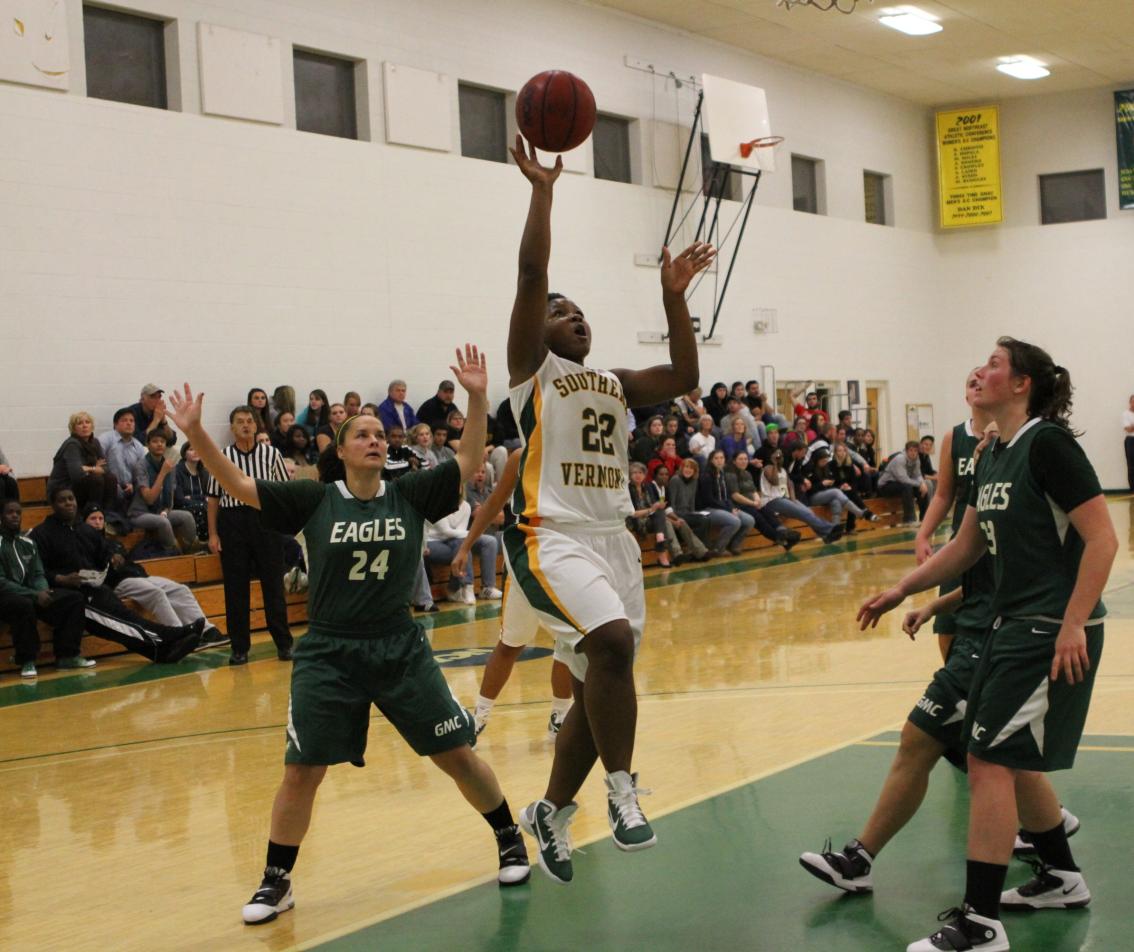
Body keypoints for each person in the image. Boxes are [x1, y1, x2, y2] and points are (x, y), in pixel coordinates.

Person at [165, 345, 532, 925]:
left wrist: (478, 395)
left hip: (398, 645)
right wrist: (197, 435)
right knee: (301, 769)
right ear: (339, 451)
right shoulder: (315, 499)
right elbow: (237, 482)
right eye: (361, 434)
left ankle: (510, 837)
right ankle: (276, 880)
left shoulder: (408, 493)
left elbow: (466, 462)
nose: (374, 439)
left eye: (379, 434)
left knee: (455, 753)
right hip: (330, 650)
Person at [857, 338, 1117, 952]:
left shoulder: (1047, 444)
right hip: (1010, 625)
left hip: (1049, 628)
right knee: (994, 757)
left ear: (1022, 383)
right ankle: (1058, 876)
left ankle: (979, 923)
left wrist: (1074, 622)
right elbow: (966, 545)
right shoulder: (993, 450)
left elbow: (1103, 539)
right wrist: (904, 588)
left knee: (990, 762)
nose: (981, 368)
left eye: (995, 363)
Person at [505, 135, 715, 884]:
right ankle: (623, 793)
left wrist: (672, 296)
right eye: (562, 312)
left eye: (582, 313)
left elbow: (687, 373)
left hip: (612, 542)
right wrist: (542, 191)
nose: (575, 318)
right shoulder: (532, 373)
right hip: (550, 536)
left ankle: (552, 810)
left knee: (604, 680)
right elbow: (532, 272)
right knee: (615, 646)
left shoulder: (617, 382)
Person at [462, 450, 575, 739]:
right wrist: (467, 545)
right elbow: (493, 502)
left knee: (570, 643)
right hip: (528, 557)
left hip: (569, 558)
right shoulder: (522, 455)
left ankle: (560, 716)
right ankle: (480, 717)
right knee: (510, 644)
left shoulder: (580, 449)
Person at [30, 487, 203, 663]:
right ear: (52, 504)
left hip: (96, 588)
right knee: (118, 623)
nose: (68, 503)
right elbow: (37, 572)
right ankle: (169, 635)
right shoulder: (42, 534)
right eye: (62, 500)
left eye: (71, 498)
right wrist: (61, 579)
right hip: (70, 596)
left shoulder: (84, 529)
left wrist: (113, 556)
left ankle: (159, 651)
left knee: (125, 618)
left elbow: (103, 551)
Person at [206, 405, 294, 666]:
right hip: (232, 523)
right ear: (232, 428)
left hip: (265, 520)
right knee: (236, 588)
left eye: (249, 421)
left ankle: (284, 644)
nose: (245, 425)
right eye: (240, 422)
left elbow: (282, 492)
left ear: (257, 426)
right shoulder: (222, 457)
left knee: (273, 586)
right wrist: (213, 534)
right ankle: (240, 648)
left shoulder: (271, 454)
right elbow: (212, 499)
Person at [83, 504, 227, 650]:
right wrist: (109, 559)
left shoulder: (113, 543)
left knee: (180, 589)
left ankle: (207, 631)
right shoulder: (85, 543)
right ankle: (180, 635)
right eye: (93, 518)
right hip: (118, 582)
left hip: (139, 576)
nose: (97, 522)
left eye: (100, 518)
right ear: (84, 522)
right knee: (155, 593)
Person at [0, 498, 89, 677]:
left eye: (18, 512)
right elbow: (1, 581)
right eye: (10, 512)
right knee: (22, 605)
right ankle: (27, 660)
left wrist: (43, 590)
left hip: (32, 593)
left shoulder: (28, 543)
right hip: (6, 596)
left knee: (74, 599)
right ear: (1, 517)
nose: (15, 516)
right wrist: (34, 594)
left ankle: (67, 655)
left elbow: (38, 573)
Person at [424, 487, 500, 605]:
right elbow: (446, 531)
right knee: (462, 545)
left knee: (490, 541)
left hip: (455, 541)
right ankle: (466, 587)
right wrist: (473, 533)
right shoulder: (437, 504)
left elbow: (460, 532)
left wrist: (471, 535)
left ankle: (487, 588)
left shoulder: (466, 506)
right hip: (433, 542)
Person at [128, 428, 198, 554]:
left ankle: (191, 552)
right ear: (148, 445)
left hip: (160, 511)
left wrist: (166, 511)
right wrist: (162, 473)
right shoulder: (141, 466)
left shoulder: (168, 465)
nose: (160, 444)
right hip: (140, 513)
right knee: (162, 522)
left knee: (186, 516)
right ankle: (173, 553)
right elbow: (149, 498)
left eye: (162, 441)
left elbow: (170, 495)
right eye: (155, 441)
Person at [758, 450, 844, 544]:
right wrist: (774, 463)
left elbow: (790, 485)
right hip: (771, 501)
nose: (780, 458)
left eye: (781, 456)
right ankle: (830, 529)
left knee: (808, 512)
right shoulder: (767, 468)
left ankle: (825, 536)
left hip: (784, 498)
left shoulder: (782, 470)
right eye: (777, 457)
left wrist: (793, 500)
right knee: (803, 513)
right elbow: (774, 481)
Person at [725, 451, 801, 552]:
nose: (743, 461)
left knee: (768, 512)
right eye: (740, 459)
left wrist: (757, 500)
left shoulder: (747, 473)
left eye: (745, 459)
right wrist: (752, 503)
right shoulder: (730, 475)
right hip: (739, 505)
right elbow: (735, 496)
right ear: (734, 461)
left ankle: (784, 532)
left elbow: (753, 490)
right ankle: (782, 538)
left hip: (752, 503)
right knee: (759, 518)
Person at [48, 412, 119, 513]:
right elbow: (77, 474)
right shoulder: (72, 444)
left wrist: (89, 468)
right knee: (96, 479)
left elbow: (106, 469)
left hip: (84, 483)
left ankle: (109, 515)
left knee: (111, 478)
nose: (84, 425)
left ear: (92, 426)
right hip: (63, 487)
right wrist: (95, 467)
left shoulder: (95, 442)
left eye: (87, 422)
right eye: (80, 423)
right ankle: (92, 514)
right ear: (73, 428)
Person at [698, 448, 754, 556]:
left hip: (723, 508)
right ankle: (718, 549)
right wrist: (728, 509)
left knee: (749, 520)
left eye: (722, 458)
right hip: (709, 509)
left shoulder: (722, 475)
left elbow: (727, 496)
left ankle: (734, 545)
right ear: (711, 460)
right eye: (716, 458)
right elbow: (709, 500)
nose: (719, 460)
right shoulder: (706, 476)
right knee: (735, 521)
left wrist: (732, 507)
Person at [878, 441, 930, 526]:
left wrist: (923, 483)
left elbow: (918, 475)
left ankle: (924, 518)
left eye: (915, 451)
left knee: (923, 488)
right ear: (906, 451)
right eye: (911, 450)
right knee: (907, 487)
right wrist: (920, 484)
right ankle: (908, 520)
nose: (913, 453)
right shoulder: (900, 459)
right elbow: (903, 479)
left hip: (900, 484)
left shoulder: (917, 460)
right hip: (885, 486)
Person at [173, 442, 210, 543]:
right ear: (184, 454)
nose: (195, 452)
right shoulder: (177, 471)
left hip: (201, 504)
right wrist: (202, 498)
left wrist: (193, 497)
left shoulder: (204, 472)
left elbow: (209, 495)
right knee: (203, 507)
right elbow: (179, 499)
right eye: (191, 449)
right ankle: (201, 541)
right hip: (181, 506)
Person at [1123, 394, 1134, 492]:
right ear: (1130, 402)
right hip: (1131, 441)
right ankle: (1133, 490)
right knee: (1131, 466)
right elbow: (1129, 429)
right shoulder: (1126, 414)